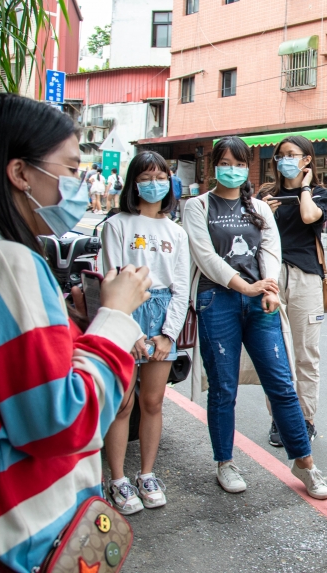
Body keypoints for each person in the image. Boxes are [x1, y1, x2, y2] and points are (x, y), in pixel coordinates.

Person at [0, 94, 151, 572]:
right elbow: (60, 419)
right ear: (21, 173)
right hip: (5, 542)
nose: (79, 187)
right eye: (68, 172)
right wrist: (117, 317)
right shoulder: (8, 264)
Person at [182, 137, 327, 498]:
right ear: (212, 166)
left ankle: (305, 462)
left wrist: (267, 291)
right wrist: (243, 287)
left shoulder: (260, 209)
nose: (232, 170)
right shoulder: (197, 207)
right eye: (225, 163)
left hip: (260, 301)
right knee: (223, 387)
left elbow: (270, 252)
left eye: (238, 164)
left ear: (246, 166)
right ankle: (225, 462)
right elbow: (206, 258)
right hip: (216, 299)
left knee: (281, 383)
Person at [100, 151, 190, 514]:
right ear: (133, 183)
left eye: (161, 177)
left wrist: (168, 334)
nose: (155, 183)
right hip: (125, 309)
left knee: (153, 402)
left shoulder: (177, 232)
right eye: (147, 177)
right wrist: (130, 332)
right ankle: (118, 478)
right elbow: (112, 278)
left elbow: (181, 286)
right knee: (122, 403)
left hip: (163, 312)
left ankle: (147, 474)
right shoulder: (116, 225)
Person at [258, 136, 327, 445]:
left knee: (306, 354)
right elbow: (251, 234)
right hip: (270, 279)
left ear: (306, 160)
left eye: (293, 155)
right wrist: (263, 211)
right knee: (275, 353)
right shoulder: (265, 195)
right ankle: (280, 417)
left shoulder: (318, 194)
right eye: (280, 155)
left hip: (306, 279)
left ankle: (306, 418)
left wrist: (304, 187)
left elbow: (308, 217)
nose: (285, 160)